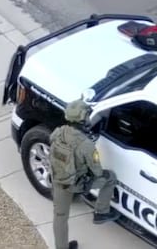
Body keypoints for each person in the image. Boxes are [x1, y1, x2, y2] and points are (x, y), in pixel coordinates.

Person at [50, 99, 118, 249]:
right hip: (77, 184)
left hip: (58, 180)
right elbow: (98, 171)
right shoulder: (85, 144)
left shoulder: (58, 132)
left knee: (60, 217)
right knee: (110, 178)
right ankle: (101, 212)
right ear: (83, 118)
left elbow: (52, 144)